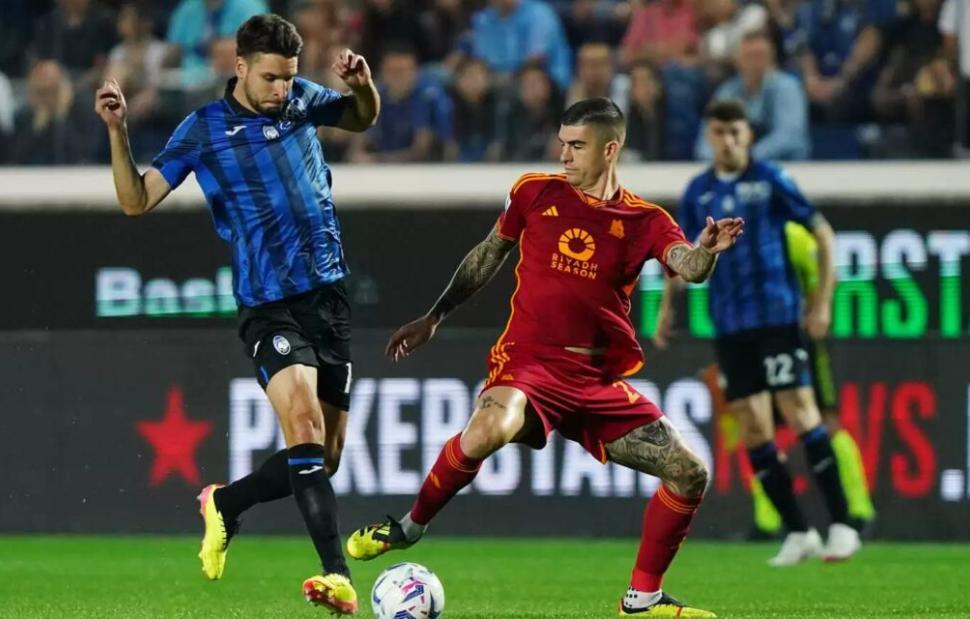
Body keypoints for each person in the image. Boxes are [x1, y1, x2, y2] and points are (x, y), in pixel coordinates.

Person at [347, 97, 744, 618]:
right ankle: (408, 528)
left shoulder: (645, 220)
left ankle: (642, 599)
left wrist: (707, 250)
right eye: (562, 143)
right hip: (529, 362)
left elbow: (687, 267)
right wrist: (435, 315)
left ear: (610, 150)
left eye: (577, 145)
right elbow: (488, 253)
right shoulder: (534, 192)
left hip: (595, 379)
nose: (564, 155)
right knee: (488, 430)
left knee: (690, 472)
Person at [94, 13, 379, 614]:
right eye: (271, 78)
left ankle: (226, 503)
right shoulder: (203, 130)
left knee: (324, 458)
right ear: (241, 67)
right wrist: (118, 133)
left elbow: (361, 118)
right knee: (303, 428)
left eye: (289, 77)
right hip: (268, 304)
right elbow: (135, 199)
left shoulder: (302, 100)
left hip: (328, 297)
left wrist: (363, 87)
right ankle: (336, 575)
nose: (282, 89)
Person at [655, 98, 861, 566]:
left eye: (736, 132)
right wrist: (667, 307)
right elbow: (682, 253)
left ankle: (843, 524)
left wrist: (822, 302)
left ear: (748, 135)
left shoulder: (771, 180)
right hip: (730, 326)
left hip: (777, 319)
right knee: (752, 429)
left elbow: (823, 232)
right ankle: (799, 533)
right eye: (719, 132)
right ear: (709, 136)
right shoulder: (698, 192)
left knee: (801, 413)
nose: (728, 141)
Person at [702, 222, 877, 539]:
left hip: (794, 336)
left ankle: (858, 510)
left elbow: (828, 276)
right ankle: (768, 521)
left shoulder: (791, 234)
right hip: (750, 339)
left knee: (825, 422)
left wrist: (814, 311)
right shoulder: (732, 236)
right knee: (757, 426)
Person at [694, 32, 809, 161]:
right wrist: (714, 157)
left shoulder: (787, 87)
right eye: (749, 56)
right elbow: (707, 139)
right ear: (737, 61)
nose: (755, 63)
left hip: (784, 165)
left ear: (771, 59)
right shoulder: (728, 91)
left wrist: (747, 157)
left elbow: (789, 136)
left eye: (760, 56)